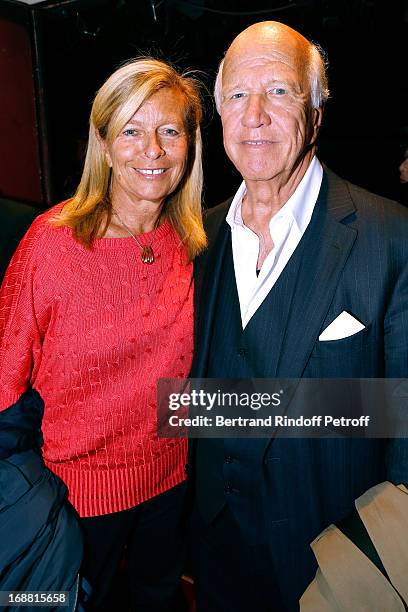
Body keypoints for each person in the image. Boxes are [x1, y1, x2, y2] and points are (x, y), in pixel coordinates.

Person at [190, 21, 408, 612]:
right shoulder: (192, 237)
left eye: (279, 91)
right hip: (212, 554)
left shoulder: (390, 235)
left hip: (335, 565)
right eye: (237, 94)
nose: (254, 114)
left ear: (316, 109)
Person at [0, 57, 206, 611]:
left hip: (171, 480)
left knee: (159, 601)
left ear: (191, 143)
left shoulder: (191, 241)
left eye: (169, 131)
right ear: (105, 144)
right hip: (76, 497)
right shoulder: (53, 245)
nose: (153, 151)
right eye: (132, 131)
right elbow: (3, 380)